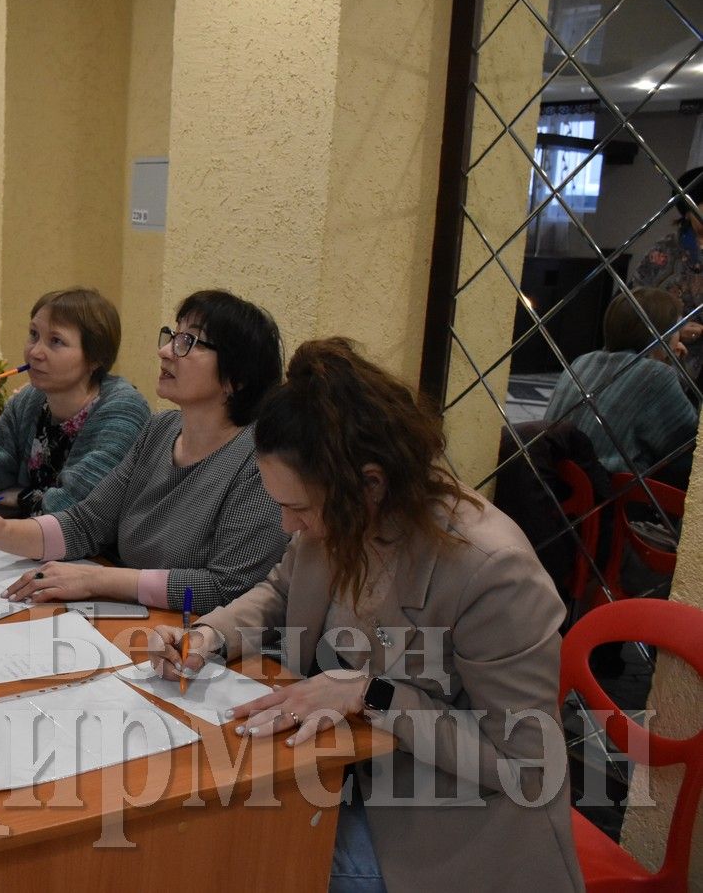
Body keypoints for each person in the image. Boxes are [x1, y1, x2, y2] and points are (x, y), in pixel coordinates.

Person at [151, 338, 583, 892]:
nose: (288, 527)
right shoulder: (342, 520)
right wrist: (208, 635)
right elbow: (279, 593)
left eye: (298, 509)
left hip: (445, 824)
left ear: (370, 483)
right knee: (199, 826)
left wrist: (370, 693)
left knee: (237, 858)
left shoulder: (491, 573)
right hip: (345, 771)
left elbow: (526, 764)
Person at [0, 289, 289, 614]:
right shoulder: (161, 429)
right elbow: (86, 523)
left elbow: (227, 588)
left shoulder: (257, 461)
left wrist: (99, 581)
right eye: (172, 335)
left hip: (195, 639)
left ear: (236, 377)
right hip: (135, 618)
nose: (165, 351)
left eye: (189, 342)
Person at [0, 287, 149, 515]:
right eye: (33, 334)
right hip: (21, 545)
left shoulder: (123, 409)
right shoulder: (30, 400)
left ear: (95, 358)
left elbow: (78, 508)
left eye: (56, 341)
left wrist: (15, 496)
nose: (35, 352)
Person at [544, 286, 697, 488]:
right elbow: (690, 440)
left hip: (557, 481)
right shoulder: (655, 375)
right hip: (607, 493)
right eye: (676, 329)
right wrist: (676, 370)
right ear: (661, 335)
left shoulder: (583, 360)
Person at [631, 165, 703, 383]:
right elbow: (633, 302)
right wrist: (675, 328)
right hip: (668, 363)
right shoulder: (665, 250)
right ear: (689, 211)